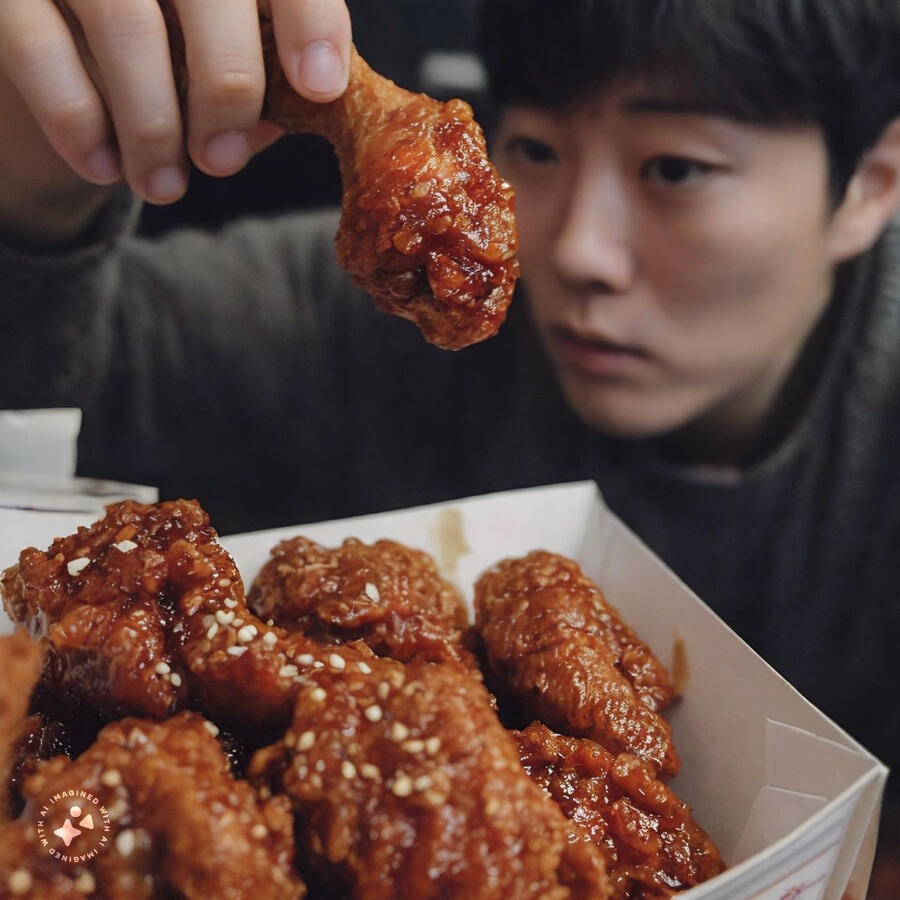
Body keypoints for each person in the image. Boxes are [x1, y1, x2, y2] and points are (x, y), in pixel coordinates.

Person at [1, 0, 898, 889]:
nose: (579, 249)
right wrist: (31, 191)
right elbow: (63, 377)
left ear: (872, 183)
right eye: (536, 149)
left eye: (675, 168)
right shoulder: (365, 294)